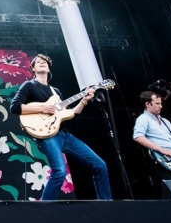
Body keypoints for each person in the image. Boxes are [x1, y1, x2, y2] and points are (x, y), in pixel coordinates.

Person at [10, 54, 112, 200]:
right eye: (38, 62)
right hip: (47, 135)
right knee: (59, 171)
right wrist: (42, 108)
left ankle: (106, 205)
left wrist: (84, 100)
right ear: (32, 68)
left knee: (100, 165)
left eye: (44, 61)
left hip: (64, 134)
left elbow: (70, 116)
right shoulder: (29, 86)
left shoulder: (55, 92)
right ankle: (44, 210)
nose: (42, 63)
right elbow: (15, 107)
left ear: (49, 67)